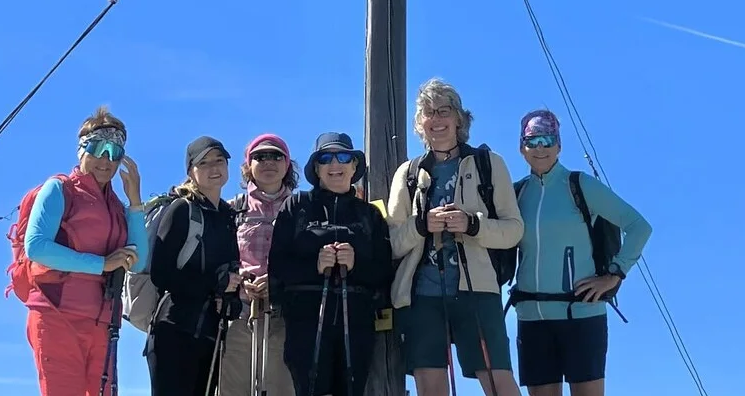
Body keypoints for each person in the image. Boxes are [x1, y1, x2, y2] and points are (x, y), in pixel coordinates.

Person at [386, 78, 523, 396]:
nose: (436, 119)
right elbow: (391, 243)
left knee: (498, 381)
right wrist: (422, 225)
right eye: (427, 112)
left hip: (479, 291)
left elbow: (514, 230)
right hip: (421, 295)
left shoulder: (490, 164)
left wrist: (472, 224)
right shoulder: (407, 173)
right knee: (430, 387)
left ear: (459, 118)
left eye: (443, 110)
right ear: (420, 124)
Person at [510, 109, 653, 396]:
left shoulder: (580, 185)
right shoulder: (516, 194)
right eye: (533, 140)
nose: (540, 148)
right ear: (521, 147)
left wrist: (615, 274)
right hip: (532, 318)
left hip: (583, 315)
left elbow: (639, 226)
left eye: (548, 140)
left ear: (559, 146)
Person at [20, 105, 150, 396]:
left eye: (115, 152)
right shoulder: (58, 190)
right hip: (57, 315)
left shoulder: (117, 206)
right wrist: (101, 264)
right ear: (81, 150)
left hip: (104, 323)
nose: (106, 159)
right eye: (97, 148)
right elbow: (36, 246)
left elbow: (139, 262)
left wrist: (135, 202)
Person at [268, 132, 393, 396]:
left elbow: (384, 272)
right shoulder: (296, 205)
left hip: (357, 324)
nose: (335, 164)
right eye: (326, 158)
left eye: (344, 157)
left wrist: (356, 264)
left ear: (354, 166)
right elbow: (277, 266)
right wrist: (314, 266)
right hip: (305, 323)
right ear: (316, 168)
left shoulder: (370, 214)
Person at [147, 136, 244, 396]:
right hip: (174, 330)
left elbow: (226, 275)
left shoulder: (227, 216)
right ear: (191, 171)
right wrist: (213, 284)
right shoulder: (181, 209)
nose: (214, 168)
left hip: (210, 334)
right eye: (205, 163)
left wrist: (230, 297)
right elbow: (161, 273)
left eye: (220, 161)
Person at [219, 134, 299, 396]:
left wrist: (279, 281)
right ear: (248, 166)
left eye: (277, 156)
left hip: (285, 317)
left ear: (288, 164)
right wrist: (240, 277)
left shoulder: (301, 210)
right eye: (260, 157)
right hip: (239, 315)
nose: (268, 162)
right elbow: (218, 259)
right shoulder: (232, 210)